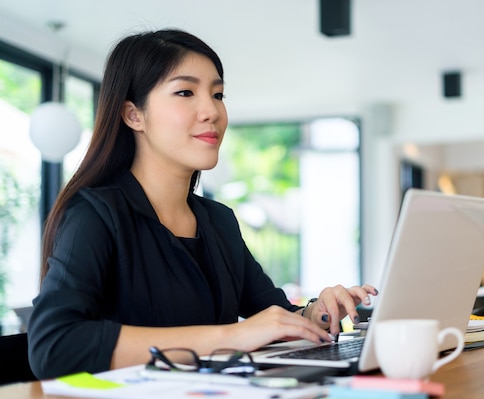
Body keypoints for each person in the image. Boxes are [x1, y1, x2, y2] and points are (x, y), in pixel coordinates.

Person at [27, 29, 377, 380]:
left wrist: (319, 312)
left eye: (218, 94)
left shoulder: (218, 221)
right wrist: (230, 337)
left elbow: (274, 314)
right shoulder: (95, 213)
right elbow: (54, 345)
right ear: (134, 115)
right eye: (185, 92)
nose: (212, 110)